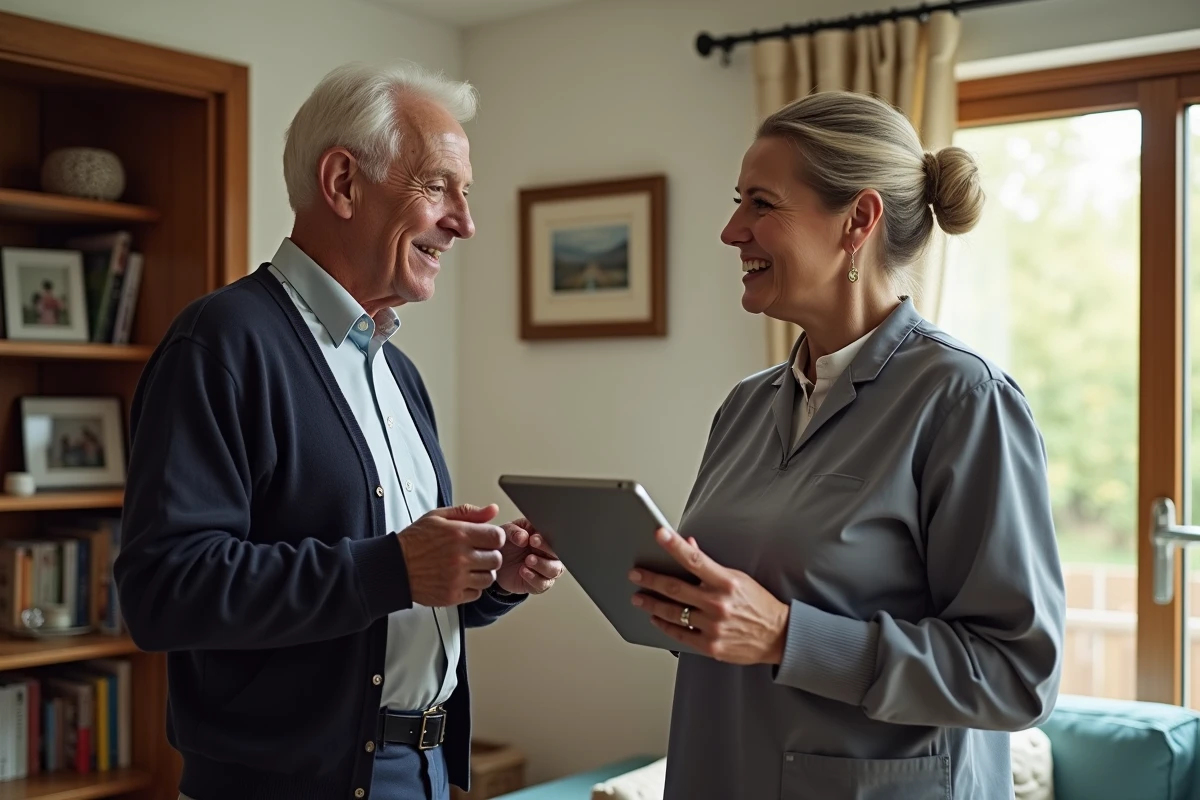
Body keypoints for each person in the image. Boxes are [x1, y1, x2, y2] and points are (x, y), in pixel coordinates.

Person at [114, 62, 564, 800]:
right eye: (438, 187)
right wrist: (393, 567)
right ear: (344, 183)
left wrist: (485, 577)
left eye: (465, 193)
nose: (463, 222)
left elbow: (389, 597)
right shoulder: (222, 342)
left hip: (420, 774)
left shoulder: (398, 373)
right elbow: (164, 589)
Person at [628, 90, 1066, 799]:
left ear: (858, 220)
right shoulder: (745, 407)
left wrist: (787, 637)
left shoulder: (964, 399)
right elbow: (730, 614)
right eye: (739, 203)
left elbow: (1018, 676)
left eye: (761, 204)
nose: (732, 231)